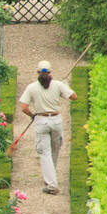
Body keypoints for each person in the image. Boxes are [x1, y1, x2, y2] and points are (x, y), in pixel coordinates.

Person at [18, 60, 77, 194]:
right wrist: (64, 86)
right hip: (56, 121)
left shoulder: (32, 87)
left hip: (41, 121)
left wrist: (32, 115)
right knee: (55, 149)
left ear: (37, 73)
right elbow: (74, 96)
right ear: (51, 72)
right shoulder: (57, 85)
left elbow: (24, 107)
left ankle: (51, 184)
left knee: (45, 152)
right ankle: (50, 176)